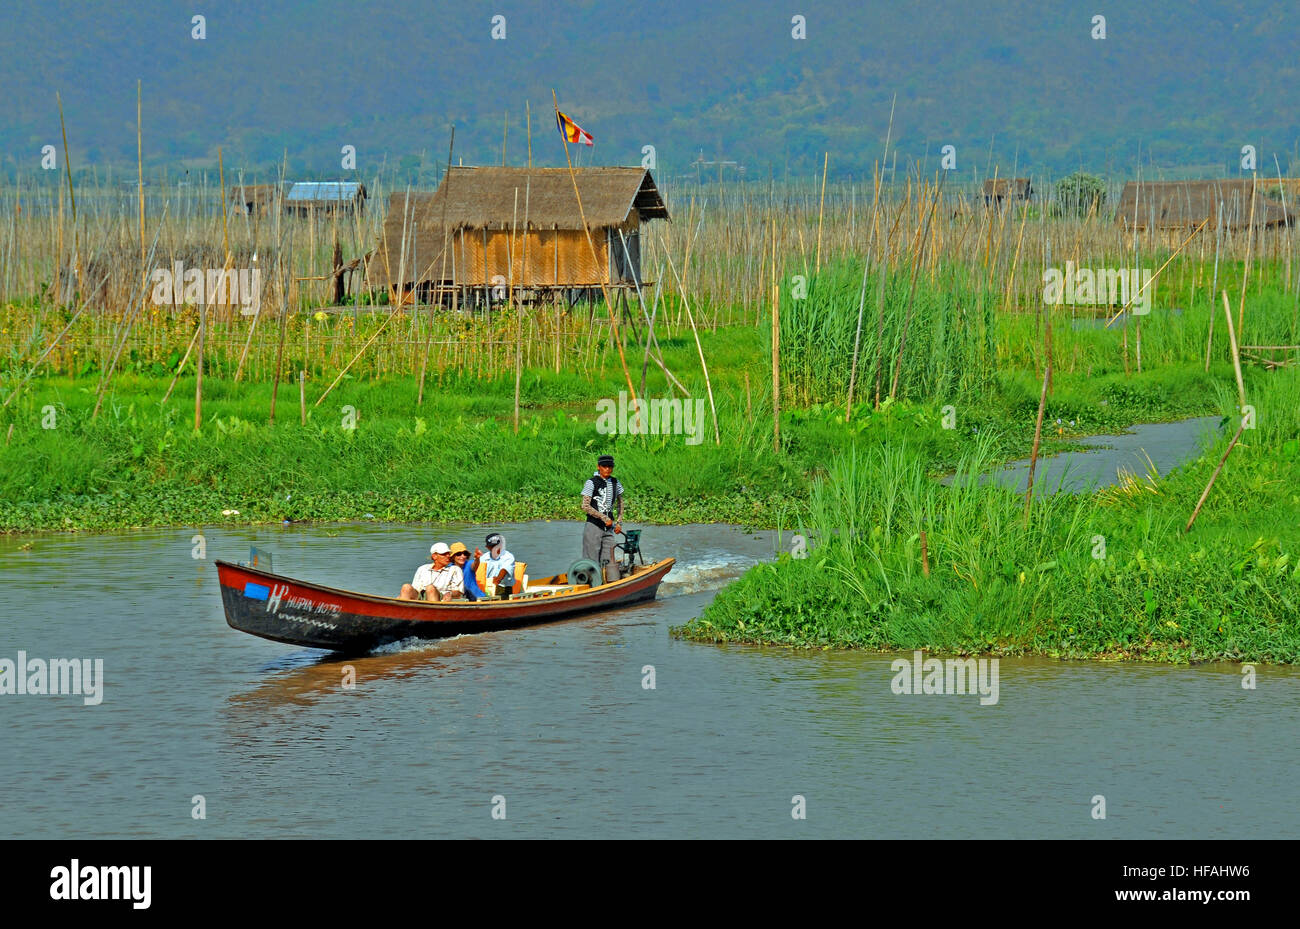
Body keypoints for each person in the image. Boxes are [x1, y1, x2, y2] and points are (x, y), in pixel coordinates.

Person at [581, 454, 623, 579]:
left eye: (610, 467)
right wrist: (604, 518)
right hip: (594, 526)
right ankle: (590, 584)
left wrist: (619, 522)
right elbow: (585, 506)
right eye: (604, 467)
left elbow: (620, 503)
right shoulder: (591, 482)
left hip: (609, 528)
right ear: (598, 467)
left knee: (609, 558)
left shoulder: (615, 482)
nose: (607, 470)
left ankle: (607, 583)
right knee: (591, 560)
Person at [399, 542, 464, 601]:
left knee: (430, 588)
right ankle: (402, 611)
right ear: (434, 556)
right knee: (406, 587)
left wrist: (450, 593)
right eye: (444, 554)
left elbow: (458, 593)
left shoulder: (455, 569)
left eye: (448, 554)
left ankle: (433, 612)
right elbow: (416, 589)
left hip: (441, 598)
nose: (448, 556)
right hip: (421, 597)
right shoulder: (422, 569)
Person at [481, 532, 517, 599]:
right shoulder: (483, 558)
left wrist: (498, 578)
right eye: (492, 546)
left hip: (504, 588)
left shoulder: (508, 556)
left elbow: (504, 569)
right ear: (487, 547)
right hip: (486, 587)